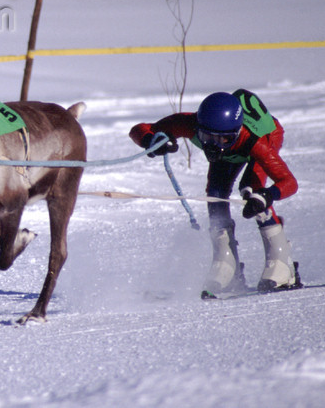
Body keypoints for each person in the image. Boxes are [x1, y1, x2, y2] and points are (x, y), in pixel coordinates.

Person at [129, 89, 300, 294]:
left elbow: (289, 182)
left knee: (252, 191)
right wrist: (151, 140)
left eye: (223, 140)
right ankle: (226, 263)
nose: (213, 146)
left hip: (265, 137)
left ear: (236, 134)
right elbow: (141, 129)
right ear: (198, 127)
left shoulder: (253, 141)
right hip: (235, 150)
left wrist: (268, 195)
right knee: (216, 194)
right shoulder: (189, 123)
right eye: (205, 137)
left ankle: (282, 263)